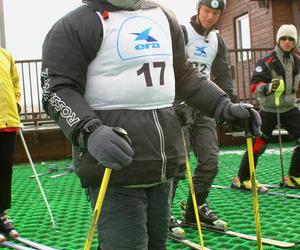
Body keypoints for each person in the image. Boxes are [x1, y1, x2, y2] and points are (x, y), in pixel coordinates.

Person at [41, 0, 261, 249]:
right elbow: (56, 90)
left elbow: (182, 73)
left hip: (161, 166)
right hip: (115, 169)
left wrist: (222, 105)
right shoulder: (76, 24)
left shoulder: (162, 15)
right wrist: (90, 131)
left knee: (157, 244)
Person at [172, 0, 238, 229]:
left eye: (215, 13)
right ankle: (162, 215)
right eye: (206, 11)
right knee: (177, 163)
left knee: (210, 162)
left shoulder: (217, 41)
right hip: (178, 106)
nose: (210, 17)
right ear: (198, 10)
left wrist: (229, 105)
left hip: (205, 107)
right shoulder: (181, 32)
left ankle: (195, 208)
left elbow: (223, 74)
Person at [232, 24, 300, 191]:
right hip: (269, 109)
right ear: (278, 40)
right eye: (283, 38)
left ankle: (294, 177)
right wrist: (269, 87)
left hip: (289, 108)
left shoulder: (297, 61)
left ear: (295, 41)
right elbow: (255, 85)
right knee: (258, 145)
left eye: (290, 39)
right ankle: (243, 180)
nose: (286, 42)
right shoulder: (267, 61)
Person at [0, 48, 21, 237]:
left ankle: (2, 214)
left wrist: (17, 103)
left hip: (8, 123)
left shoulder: (5, 55)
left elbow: (15, 83)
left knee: (5, 170)